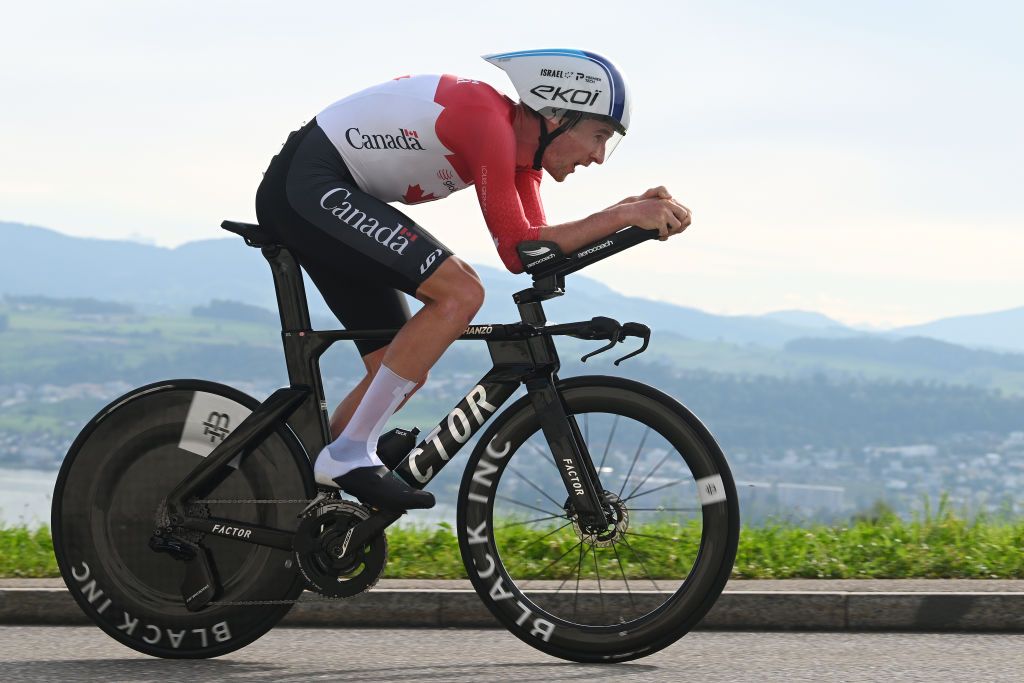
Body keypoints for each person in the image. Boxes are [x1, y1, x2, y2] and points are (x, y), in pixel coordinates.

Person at [254, 48, 691, 511]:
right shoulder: (488, 123)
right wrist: (624, 214)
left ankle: (305, 494)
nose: (600, 157)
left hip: (326, 193)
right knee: (461, 292)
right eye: (599, 135)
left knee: (401, 366)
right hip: (308, 187)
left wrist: (622, 215)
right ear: (557, 115)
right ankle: (346, 455)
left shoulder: (524, 160)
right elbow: (515, 245)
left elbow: (534, 253)